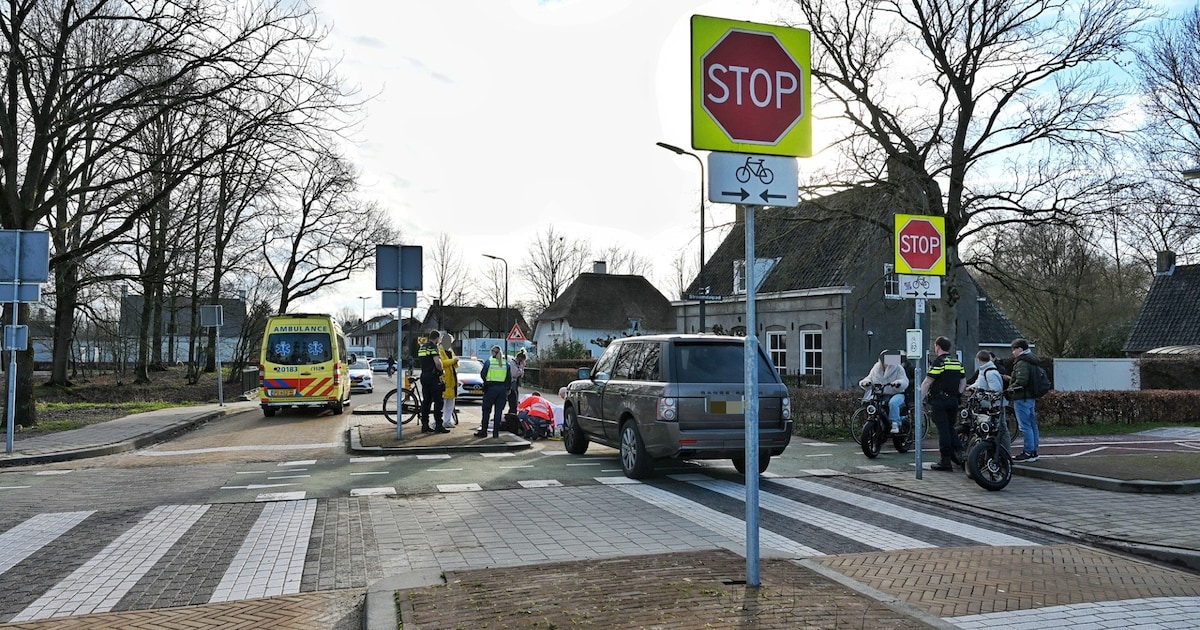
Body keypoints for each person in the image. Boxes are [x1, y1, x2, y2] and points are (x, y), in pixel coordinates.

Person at [920, 336, 966, 471]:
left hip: (940, 401)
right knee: (950, 428)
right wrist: (958, 394)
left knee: (943, 431)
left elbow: (928, 382)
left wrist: (920, 399)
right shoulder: (957, 362)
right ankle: (961, 453)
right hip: (953, 400)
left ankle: (945, 461)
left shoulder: (939, 363)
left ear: (938, 347)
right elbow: (963, 381)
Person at [858, 350, 910, 434]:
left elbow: (904, 380)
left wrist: (898, 383)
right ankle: (877, 422)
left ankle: (895, 423)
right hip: (881, 394)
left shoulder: (898, 368)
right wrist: (865, 382)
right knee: (872, 402)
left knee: (893, 403)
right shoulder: (876, 368)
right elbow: (869, 377)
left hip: (897, 393)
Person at [1009, 338, 1041, 462]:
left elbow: (1021, 381)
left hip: (1022, 397)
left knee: (1025, 426)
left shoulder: (1022, 362)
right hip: (1031, 397)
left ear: (1020, 349)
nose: (1013, 352)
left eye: (1014, 349)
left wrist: (1010, 388)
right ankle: (1033, 451)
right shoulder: (1033, 360)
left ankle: (1027, 452)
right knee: (1032, 425)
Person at [475, 344, 511, 438]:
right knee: (498, 412)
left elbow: (483, 374)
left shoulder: (489, 362)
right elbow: (509, 378)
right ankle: (495, 433)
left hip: (491, 389)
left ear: (492, 353)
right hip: (502, 390)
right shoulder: (506, 363)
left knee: (486, 410)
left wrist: (486, 382)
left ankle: (484, 431)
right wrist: (507, 389)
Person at [417, 330, 447, 434]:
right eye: (439, 339)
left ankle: (425, 425)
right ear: (437, 338)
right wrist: (441, 370)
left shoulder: (422, 347)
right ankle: (439, 426)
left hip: (424, 375)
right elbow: (437, 363)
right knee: (438, 402)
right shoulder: (433, 347)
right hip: (433, 377)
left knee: (426, 401)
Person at [438, 333, 459, 429]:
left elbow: (455, 364)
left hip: (452, 380)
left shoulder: (450, 350)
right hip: (444, 379)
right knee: (442, 404)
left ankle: (447, 421)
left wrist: (456, 362)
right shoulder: (440, 350)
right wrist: (453, 361)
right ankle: (437, 422)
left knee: (450, 403)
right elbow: (442, 362)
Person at [506, 348, 528, 414]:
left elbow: (521, 375)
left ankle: (512, 414)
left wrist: (522, 368)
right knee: (513, 401)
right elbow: (514, 374)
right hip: (512, 383)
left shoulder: (518, 365)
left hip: (516, 384)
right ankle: (511, 414)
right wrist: (521, 369)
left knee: (515, 401)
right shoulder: (512, 364)